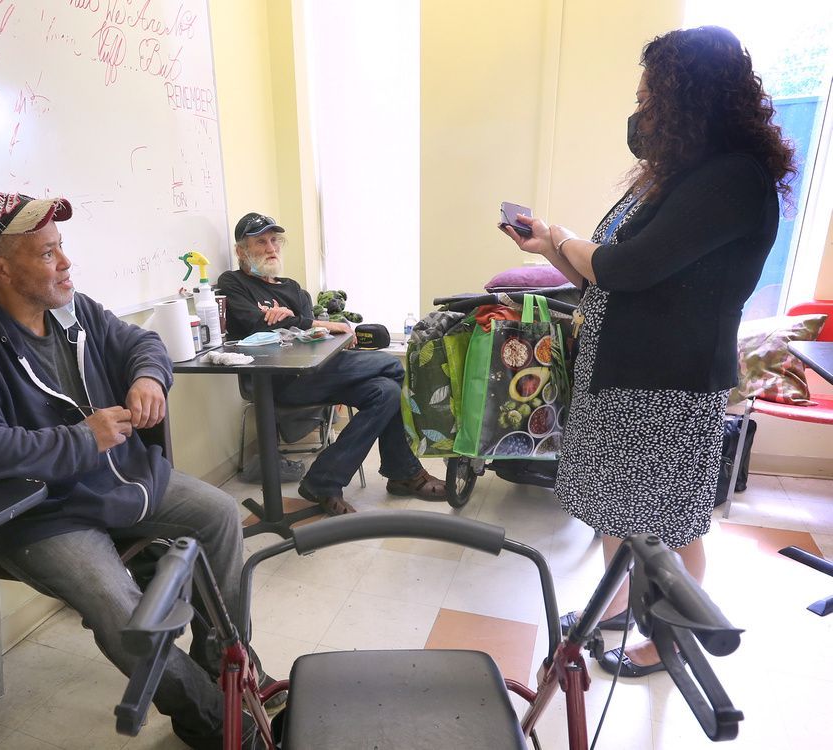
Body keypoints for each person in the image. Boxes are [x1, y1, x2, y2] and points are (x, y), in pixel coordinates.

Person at [0, 192, 278, 748]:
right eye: (46, 254)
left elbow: (143, 343)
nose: (65, 263)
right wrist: (78, 439)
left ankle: (224, 666)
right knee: (119, 604)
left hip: (119, 481)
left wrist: (147, 378)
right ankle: (208, 717)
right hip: (46, 515)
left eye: (60, 248)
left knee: (218, 515)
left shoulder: (73, 308)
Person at [499, 26, 794, 677]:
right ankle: (617, 607)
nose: (642, 114)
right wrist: (552, 244)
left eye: (652, 98)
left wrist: (569, 239)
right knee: (616, 511)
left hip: (668, 382)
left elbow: (626, 268)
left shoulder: (732, 181)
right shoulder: (671, 177)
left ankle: (669, 639)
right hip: (619, 371)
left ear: (694, 99)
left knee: (667, 525)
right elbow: (603, 271)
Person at [218, 212, 446, 514]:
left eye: (274, 240)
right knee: (393, 369)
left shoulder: (292, 287)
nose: (271, 247)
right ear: (241, 251)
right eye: (261, 242)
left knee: (387, 392)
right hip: (276, 379)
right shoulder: (233, 282)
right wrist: (308, 323)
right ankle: (401, 471)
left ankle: (330, 482)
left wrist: (301, 324)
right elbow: (254, 324)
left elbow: (308, 335)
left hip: (315, 371)